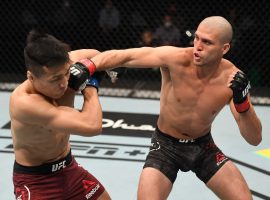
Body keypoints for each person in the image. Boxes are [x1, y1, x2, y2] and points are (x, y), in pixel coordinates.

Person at [90, 16, 262, 200]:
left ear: (224, 48)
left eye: (207, 42)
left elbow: (254, 139)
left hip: (203, 147)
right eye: (197, 38)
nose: (198, 46)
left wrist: (242, 102)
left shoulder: (233, 79)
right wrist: (88, 65)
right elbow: (127, 56)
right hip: (165, 147)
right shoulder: (175, 58)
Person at [9, 30, 111, 200]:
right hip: (36, 182)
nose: (64, 83)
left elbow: (96, 55)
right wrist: (91, 85)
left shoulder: (64, 62)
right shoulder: (25, 102)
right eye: (55, 79)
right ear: (31, 77)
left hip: (69, 168)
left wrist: (95, 67)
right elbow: (92, 126)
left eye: (67, 73)